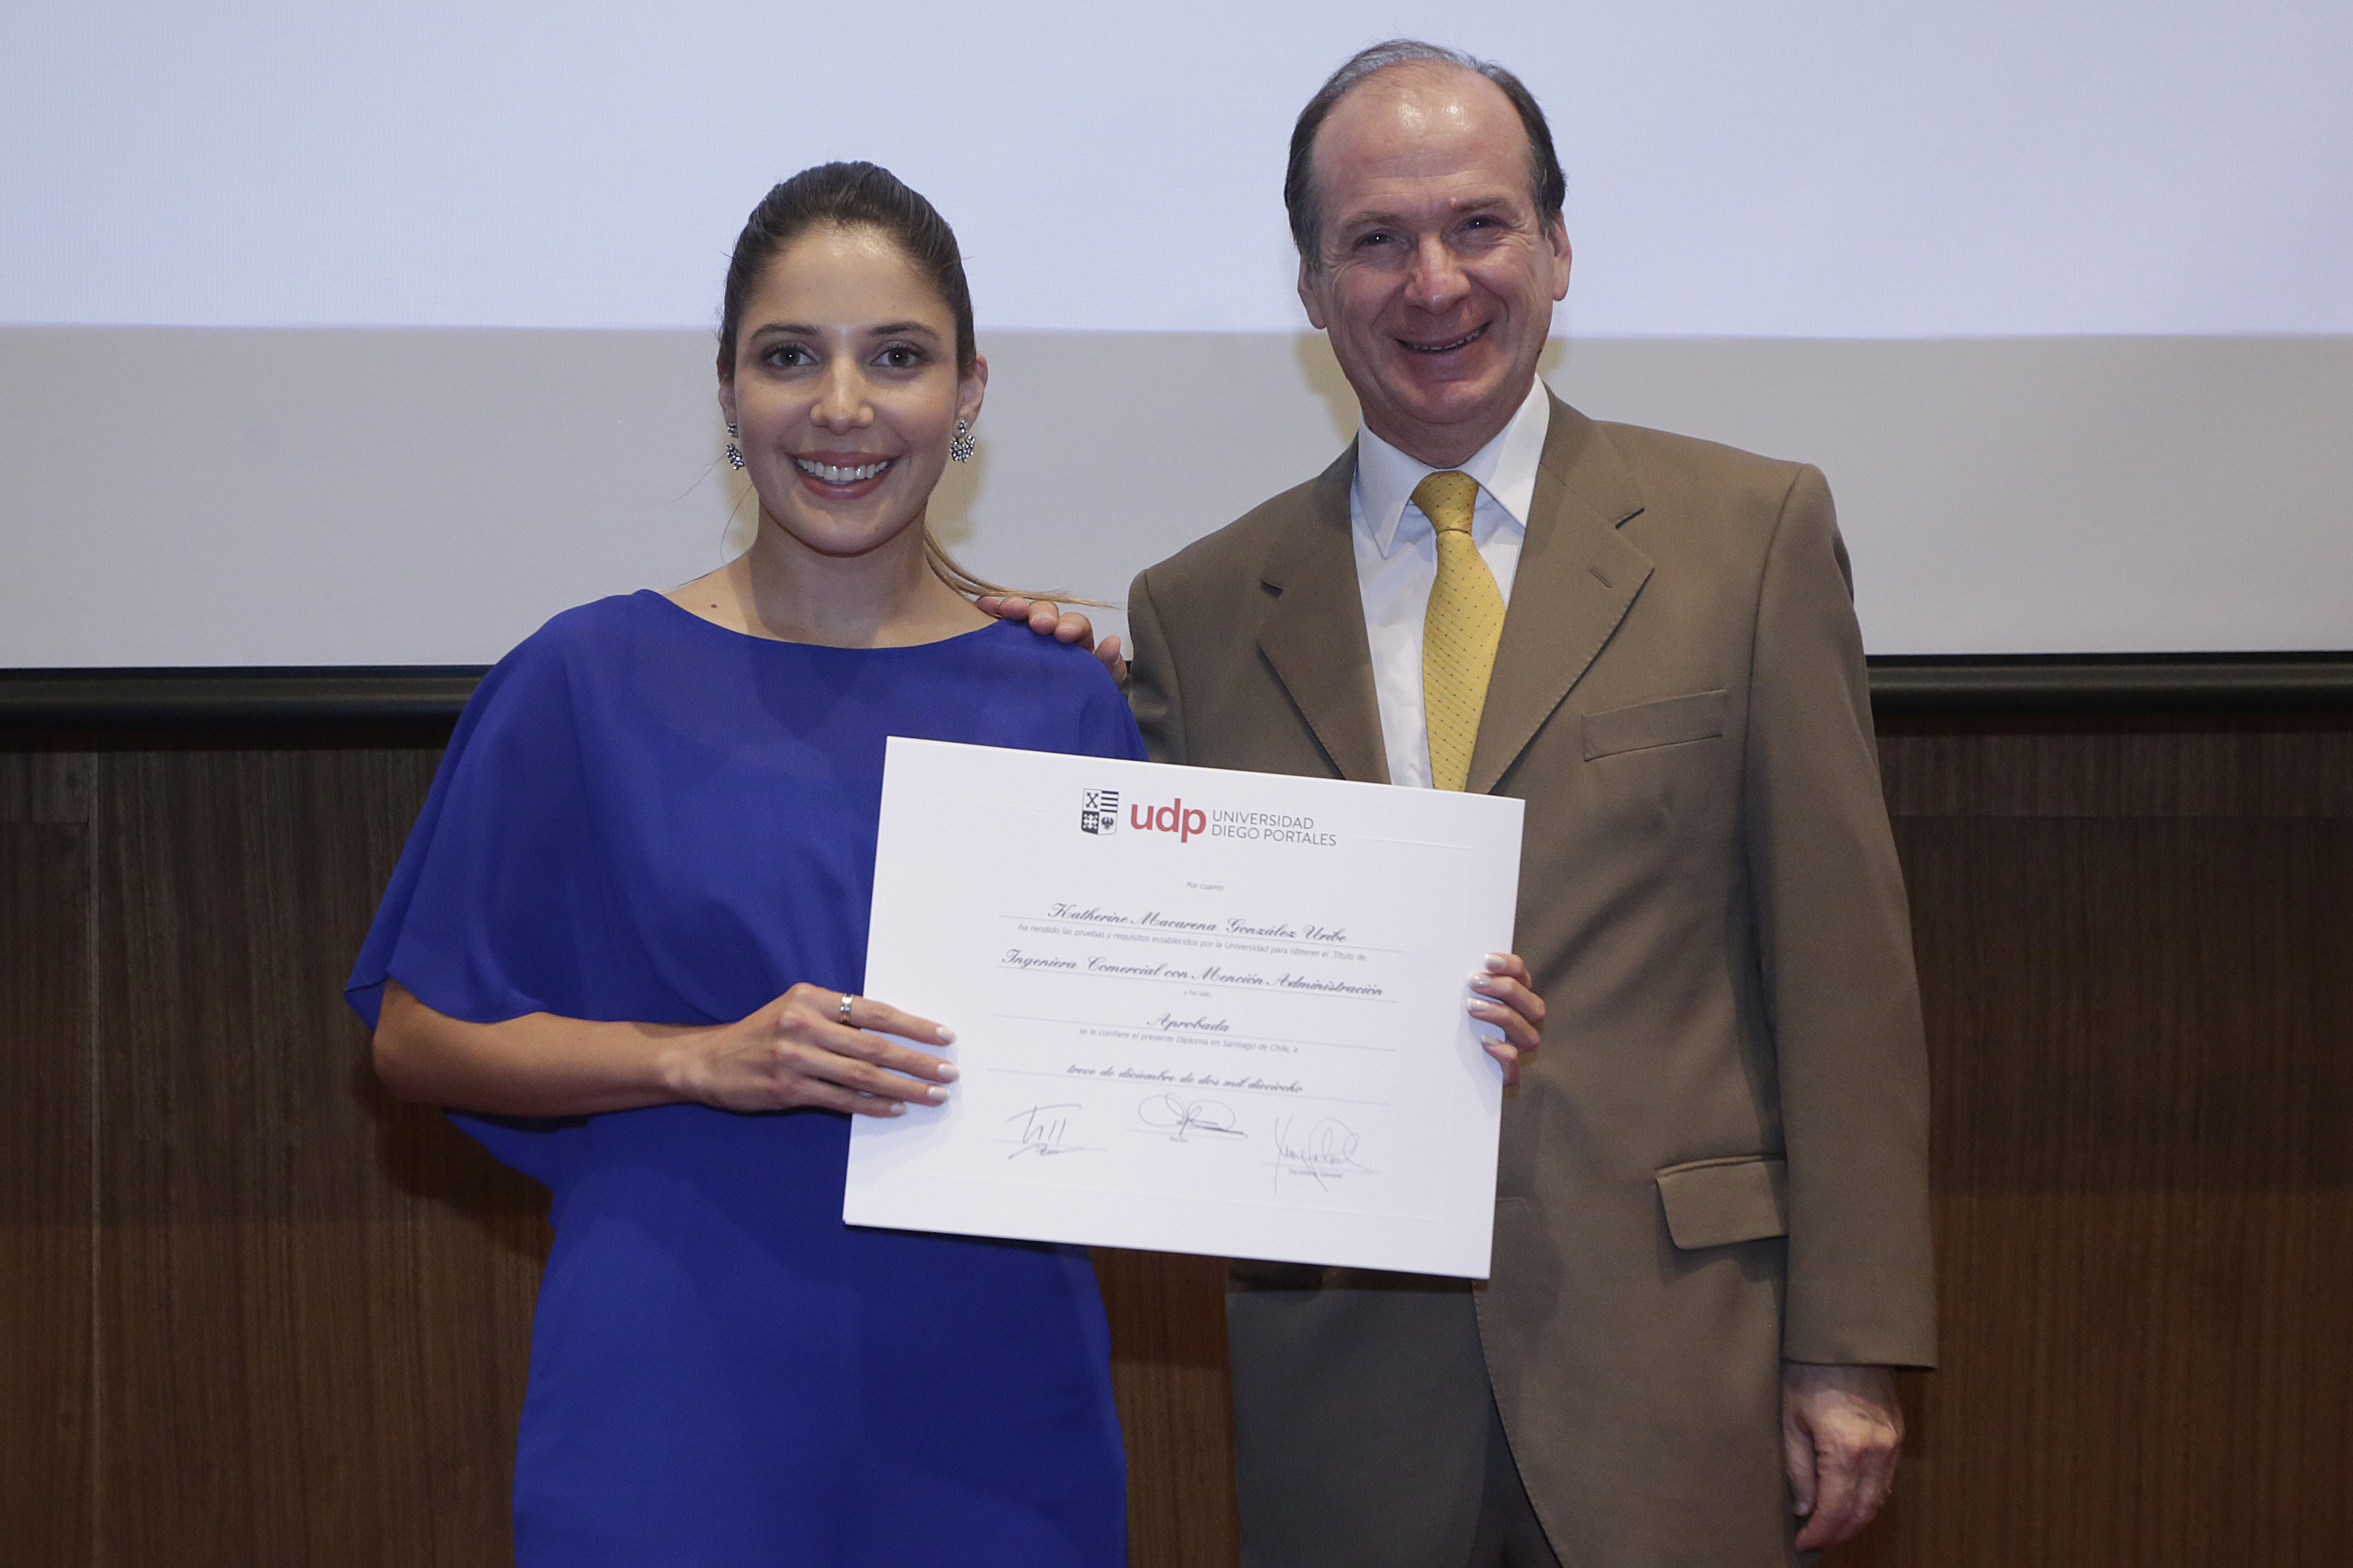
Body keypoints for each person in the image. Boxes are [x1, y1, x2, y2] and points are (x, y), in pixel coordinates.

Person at [994, 38, 1935, 1568]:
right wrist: (1023, 686)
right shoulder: (1200, 611)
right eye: (1376, 240)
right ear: (1313, 287)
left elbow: (1845, 979)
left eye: (1479, 225)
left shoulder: (1750, 535)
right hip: (1351, 1392)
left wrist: (1852, 1342)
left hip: (1678, 1360)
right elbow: (1153, 974)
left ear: (1558, 247)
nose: (1435, 283)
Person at [348, 162, 1137, 1567]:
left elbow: (1158, 1060)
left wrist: (1420, 1027)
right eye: (789, 357)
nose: (841, 406)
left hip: (993, 1405)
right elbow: (415, 1040)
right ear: (727, 392)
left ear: (968, 393)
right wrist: (695, 1060)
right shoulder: (584, 676)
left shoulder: (1065, 696)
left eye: (896, 357)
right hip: (673, 1397)